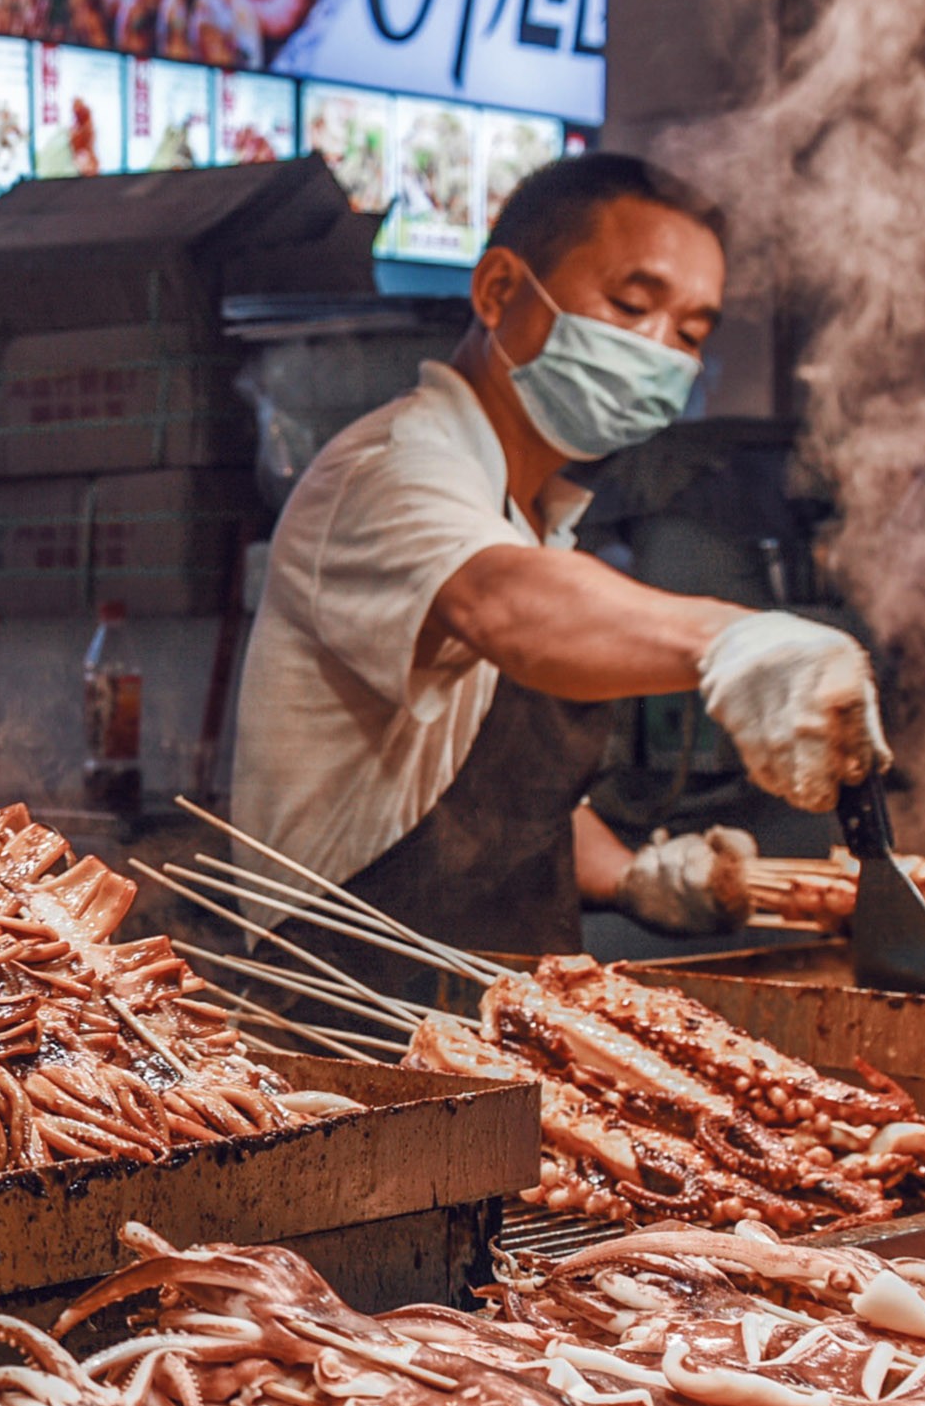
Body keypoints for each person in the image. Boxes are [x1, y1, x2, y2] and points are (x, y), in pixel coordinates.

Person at [229, 153, 886, 959]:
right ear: (499, 291)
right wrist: (730, 638)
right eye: (629, 305)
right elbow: (503, 604)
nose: (656, 351)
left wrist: (634, 876)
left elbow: (482, 798)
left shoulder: (530, 512)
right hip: (344, 1012)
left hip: (498, 1003)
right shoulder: (388, 472)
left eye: (687, 333)